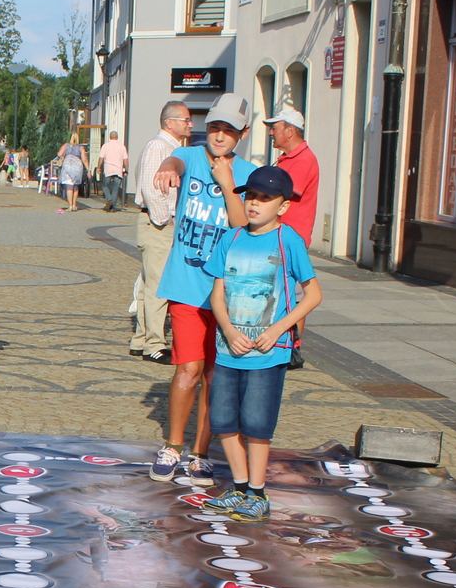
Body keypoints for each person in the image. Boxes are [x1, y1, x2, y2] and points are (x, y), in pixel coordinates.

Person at [197, 165, 321, 523]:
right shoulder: (231, 238)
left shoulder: (289, 240)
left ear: (282, 206)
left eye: (265, 198)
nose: (255, 203)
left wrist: (279, 329)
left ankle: (257, 492)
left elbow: (312, 295)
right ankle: (237, 488)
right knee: (223, 422)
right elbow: (217, 294)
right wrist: (228, 331)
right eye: (250, 195)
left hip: (269, 354)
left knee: (257, 425)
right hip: (228, 349)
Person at [150, 91, 256, 484]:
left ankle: (201, 451)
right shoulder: (192, 156)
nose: (219, 135)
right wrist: (167, 164)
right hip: (187, 283)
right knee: (188, 367)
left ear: (241, 134)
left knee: (216, 373)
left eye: (228, 129)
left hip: (227, 291)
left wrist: (228, 183)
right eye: (214, 127)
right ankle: (173, 445)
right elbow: (177, 158)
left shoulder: (247, 173)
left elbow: (241, 223)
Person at [131, 101, 189, 364]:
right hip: (157, 225)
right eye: (185, 119)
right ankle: (155, 343)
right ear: (169, 122)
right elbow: (153, 187)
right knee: (158, 285)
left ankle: (141, 339)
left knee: (148, 283)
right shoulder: (159, 147)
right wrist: (164, 219)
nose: (190, 124)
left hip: (156, 224)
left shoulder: (173, 147)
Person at [264, 107, 319, 244]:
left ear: (289, 132)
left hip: (290, 238)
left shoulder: (303, 160)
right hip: (278, 235)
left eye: (274, 128)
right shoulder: (288, 158)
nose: (271, 133)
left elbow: (282, 194)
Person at [98, 128, 129, 212]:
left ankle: (109, 199)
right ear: (117, 137)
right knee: (115, 188)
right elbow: (125, 159)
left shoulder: (105, 146)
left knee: (105, 186)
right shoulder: (122, 147)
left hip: (108, 169)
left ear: (109, 137)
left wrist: (99, 167)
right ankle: (113, 207)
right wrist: (126, 170)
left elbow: (101, 157)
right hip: (118, 170)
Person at [56, 136, 86, 212]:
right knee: (75, 186)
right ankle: (74, 204)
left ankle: (70, 205)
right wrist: (88, 169)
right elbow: (84, 159)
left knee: (69, 186)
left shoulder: (66, 145)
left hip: (68, 166)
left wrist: (64, 155)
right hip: (77, 167)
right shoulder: (81, 147)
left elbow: (59, 154)